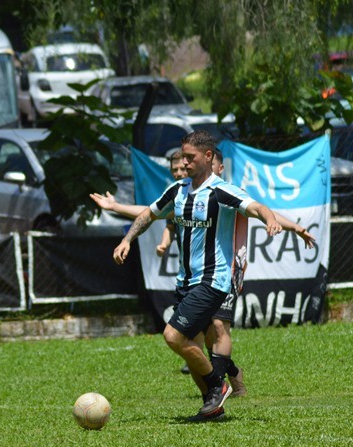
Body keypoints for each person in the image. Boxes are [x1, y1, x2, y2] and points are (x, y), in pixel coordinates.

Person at [111, 130, 315, 421]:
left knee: (173, 336)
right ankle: (212, 405)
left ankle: (219, 386)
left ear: (208, 157)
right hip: (185, 281)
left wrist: (271, 220)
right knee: (191, 344)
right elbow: (148, 214)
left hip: (213, 280)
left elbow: (256, 207)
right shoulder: (177, 190)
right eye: (183, 157)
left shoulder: (221, 191)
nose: (185, 162)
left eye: (190, 157)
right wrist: (127, 240)